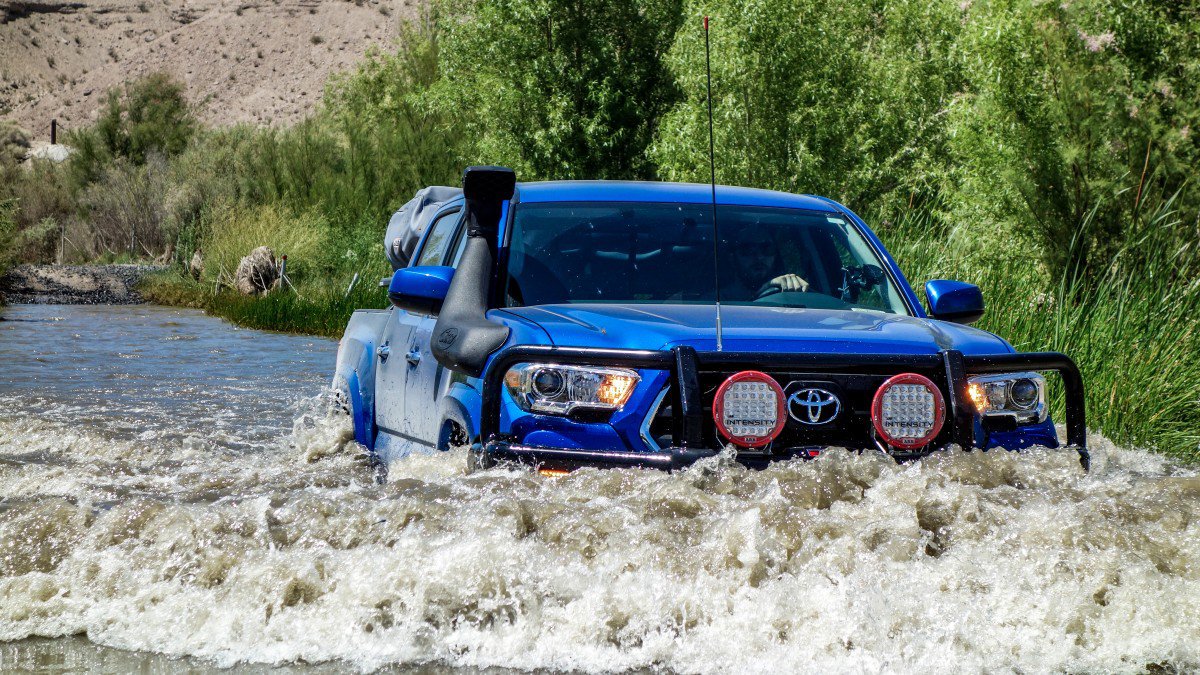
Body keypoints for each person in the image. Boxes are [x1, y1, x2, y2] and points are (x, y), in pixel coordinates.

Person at [723, 227, 809, 300]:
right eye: (748, 250)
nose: (759, 257)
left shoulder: (791, 296)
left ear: (775, 255)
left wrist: (798, 288)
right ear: (732, 258)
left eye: (767, 249)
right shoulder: (717, 302)